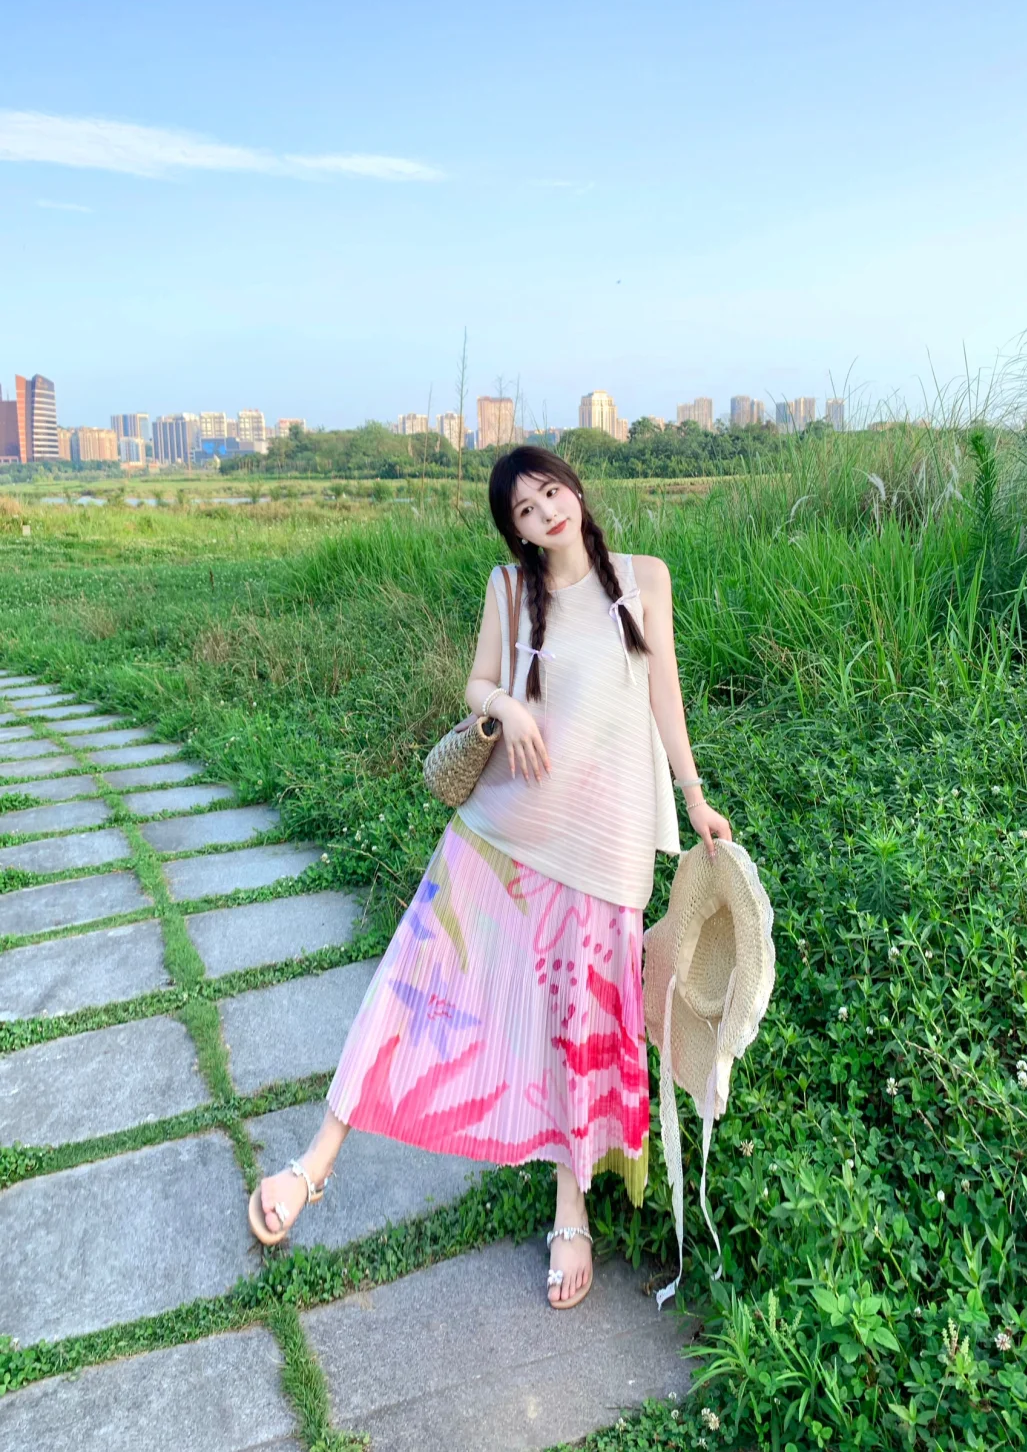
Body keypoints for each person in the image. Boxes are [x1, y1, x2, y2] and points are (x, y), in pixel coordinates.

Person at [249, 445, 732, 1310]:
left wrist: (695, 799)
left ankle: (570, 1209)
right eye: (525, 510)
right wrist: (504, 702)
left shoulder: (645, 580)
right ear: (517, 532)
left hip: (608, 847)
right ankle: (315, 1162)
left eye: (550, 491)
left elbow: (667, 699)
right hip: (502, 832)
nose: (546, 512)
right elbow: (477, 682)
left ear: (573, 487)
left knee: (577, 1026)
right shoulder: (510, 591)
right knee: (412, 981)